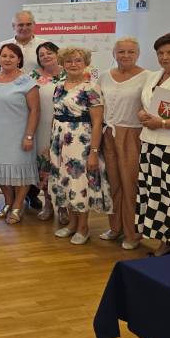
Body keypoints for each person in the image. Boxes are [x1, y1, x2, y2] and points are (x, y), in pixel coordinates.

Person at [49, 47, 111, 245]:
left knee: (79, 183)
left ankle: (83, 228)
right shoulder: (59, 86)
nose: (73, 64)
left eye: (77, 60)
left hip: (80, 143)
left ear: (86, 63)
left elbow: (97, 123)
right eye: (68, 61)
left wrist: (94, 152)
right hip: (59, 142)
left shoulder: (91, 88)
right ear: (62, 64)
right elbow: (55, 115)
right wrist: (51, 144)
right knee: (64, 181)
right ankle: (72, 224)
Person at [99, 38, 149, 249]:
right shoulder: (104, 76)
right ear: (114, 53)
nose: (126, 56)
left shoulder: (148, 77)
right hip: (108, 135)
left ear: (138, 54)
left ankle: (133, 233)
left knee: (130, 185)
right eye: (121, 52)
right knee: (112, 184)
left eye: (131, 52)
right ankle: (116, 227)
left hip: (132, 135)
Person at [0, 43, 40, 224]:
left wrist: (29, 136)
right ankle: (8, 202)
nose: (7, 59)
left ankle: (17, 206)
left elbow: (35, 110)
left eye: (12, 56)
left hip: (19, 134)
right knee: (0, 169)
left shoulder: (27, 81)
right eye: (4, 56)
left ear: (19, 60)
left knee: (20, 172)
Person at [137, 33, 170, 257]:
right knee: (156, 192)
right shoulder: (154, 76)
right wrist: (142, 114)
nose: (165, 57)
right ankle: (165, 239)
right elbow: (149, 105)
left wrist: (162, 123)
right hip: (150, 143)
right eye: (160, 53)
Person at [30, 41, 66, 223]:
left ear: (57, 54)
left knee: (63, 168)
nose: (45, 56)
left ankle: (64, 208)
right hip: (41, 128)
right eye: (41, 54)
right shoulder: (33, 76)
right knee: (45, 169)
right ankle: (48, 205)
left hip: (66, 129)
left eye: (49, 53)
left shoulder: (70, 73)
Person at [0, 10, 47, 77]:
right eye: (20, 25)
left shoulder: (45, 45)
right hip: (9, 83)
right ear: (13, 26)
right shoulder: (2, 46)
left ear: (34, 25)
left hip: (37, 83)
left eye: (28, 24)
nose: (25, 28)